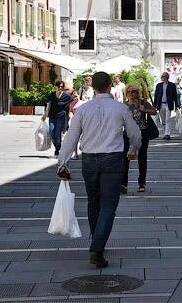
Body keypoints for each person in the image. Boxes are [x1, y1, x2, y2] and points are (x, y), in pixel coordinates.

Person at [56, 71, 141, 268]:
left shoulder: (83, 110)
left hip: (89, 160)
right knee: (109, 204)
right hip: (112, 159)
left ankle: (97, 239)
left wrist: (63, 163)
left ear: (93, 87)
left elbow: (71, 138)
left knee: (94, 201)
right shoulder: (120, 108)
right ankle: (97, 247)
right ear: (110, 86)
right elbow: (135, 134)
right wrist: (133, 150)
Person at [122, 84, 157, 193]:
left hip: (142, 133)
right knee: (125, 159)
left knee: (142, 158)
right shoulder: (124, 105)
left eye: (133, 92)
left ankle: (141, 183)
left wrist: (145, 110)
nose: (131, 94)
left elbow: (154, 111)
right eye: (129, 92)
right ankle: (123, 184)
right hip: (127, 134)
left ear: (138, 93)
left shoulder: (142, 103)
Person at [42, 80, 73, 156]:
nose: (60, 88)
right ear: (55, 87)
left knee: (58, 134)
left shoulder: (66, 96)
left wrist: (70, 112)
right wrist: (45, 115)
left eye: (62, 86)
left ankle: (57, 150)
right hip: (52, 116)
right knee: (52, 133)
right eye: (58, 86)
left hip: (61, 117)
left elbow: (73, 101)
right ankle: (58, 147)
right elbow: (48, 105)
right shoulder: (52, 95)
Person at [154, 72, 179, 140]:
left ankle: (167, 134)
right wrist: (154, 105)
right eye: (162, 76)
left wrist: (176, 105)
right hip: (161, 104)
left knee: (168, 119)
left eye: (164, 76)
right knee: (163, 120)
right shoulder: (158, 85)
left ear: (167, 77)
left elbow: (175, 96)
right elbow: (156, 95)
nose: (162, 78)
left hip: (168, 104)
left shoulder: (172, 85)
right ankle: (165, 132)